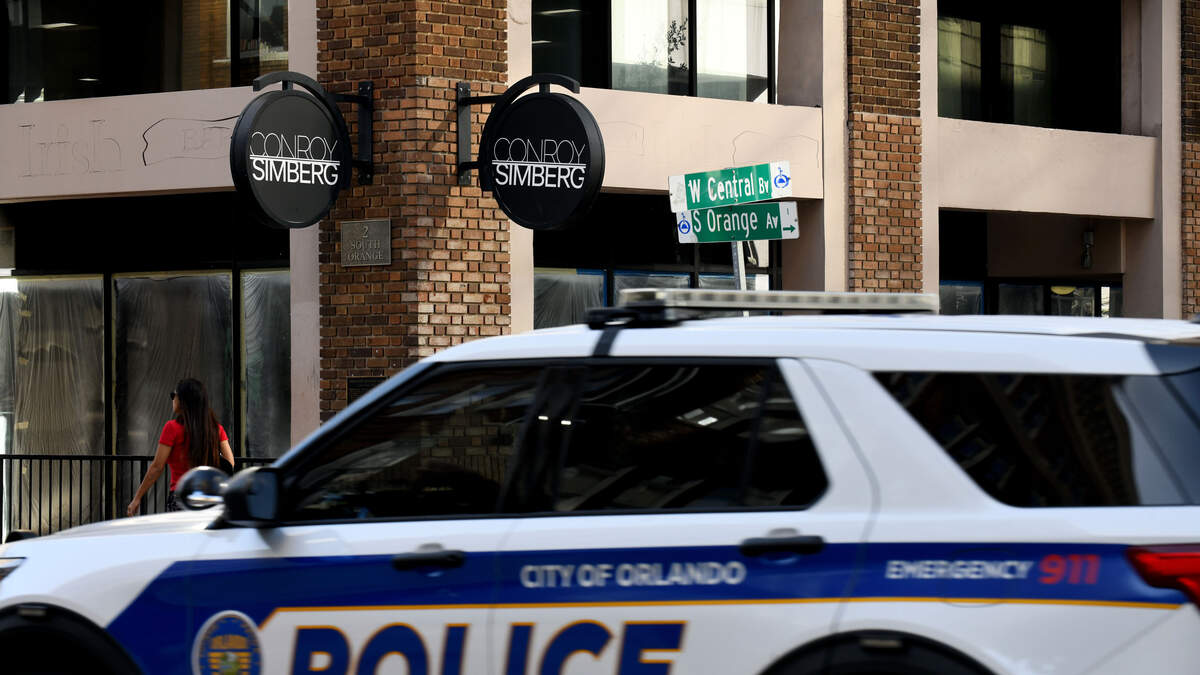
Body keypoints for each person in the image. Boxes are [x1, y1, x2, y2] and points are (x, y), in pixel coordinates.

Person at [126, 378, 235, 516]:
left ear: (183, 400)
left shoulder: (172, 428)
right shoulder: (216, 429)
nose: (173, 399)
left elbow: (157, 467)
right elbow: (230, 463)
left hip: (181, 498)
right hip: (209, 498)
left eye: (174, 395)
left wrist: (137, 498)